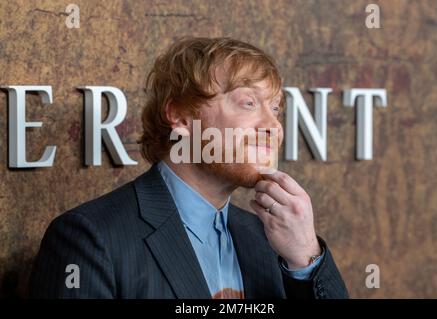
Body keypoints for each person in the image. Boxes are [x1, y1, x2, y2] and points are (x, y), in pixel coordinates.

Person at [29, 37, 348, 299]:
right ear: (181, 117)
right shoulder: (90, 238)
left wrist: (306, 257)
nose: (273, 125)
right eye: (248, 103)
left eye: (275, 107)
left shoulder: (270, 239)